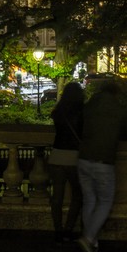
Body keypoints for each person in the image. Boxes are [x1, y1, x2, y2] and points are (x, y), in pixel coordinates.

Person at [77, 79, 127, 251]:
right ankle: (88, 237)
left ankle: (92, 240)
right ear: (116, 93)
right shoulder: (119, 110)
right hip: (104, 161)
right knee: (105, 201)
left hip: (83, 159)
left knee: (89, 199)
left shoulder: (90, 106)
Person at [47, 81, 84, 244]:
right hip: (73, 157)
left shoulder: (58, 112)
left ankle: (57, 231)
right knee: (77, 195)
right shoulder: (82, 112)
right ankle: (68, 229)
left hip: (56, 155)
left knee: (57, 196)